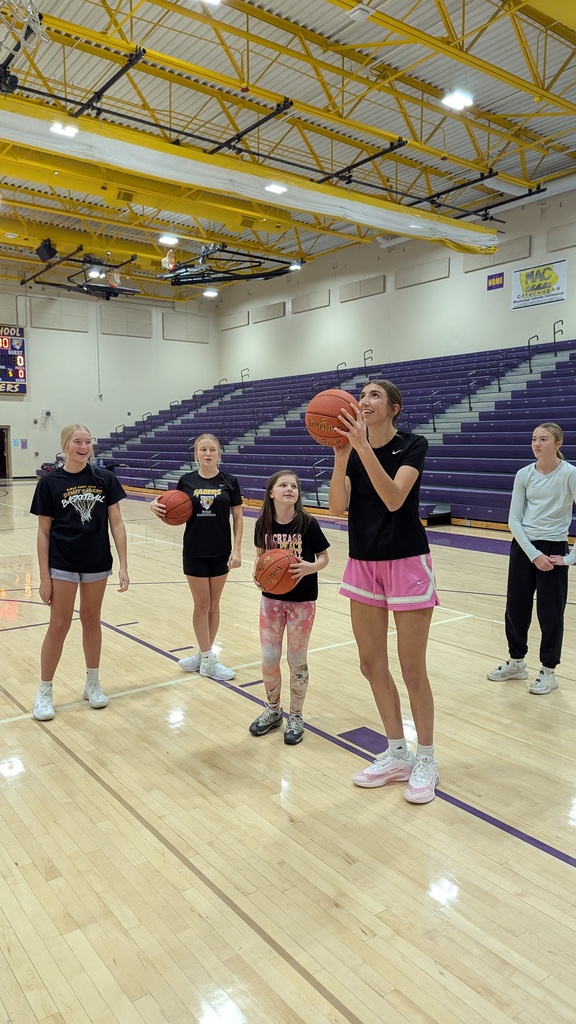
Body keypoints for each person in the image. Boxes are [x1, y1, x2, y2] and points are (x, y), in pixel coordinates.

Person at [328, 379, 440, 804]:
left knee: (412, 669)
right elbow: (336, 507)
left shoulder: (413, 444)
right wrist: (342, 457)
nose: (364, 401)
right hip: (363, 563)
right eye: (362, 395)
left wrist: (361, 448)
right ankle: (397, 754)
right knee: (371, 664)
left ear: (394, 407)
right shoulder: (353, 452)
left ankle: (426, 758)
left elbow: (394, 499)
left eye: (374, 395)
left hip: (406, 561)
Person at [30, 423, 130, 721]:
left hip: (96, 562)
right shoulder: (50, 483)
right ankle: (45, 690)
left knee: (91, 620)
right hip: (62, 562)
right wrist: (44, 576)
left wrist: (124, 564)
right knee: (59, 625)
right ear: (65, 445)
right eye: (77, 441)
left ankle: (92, 684)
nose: (84, 447)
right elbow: (43, 532)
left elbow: (117, 523)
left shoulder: (105, 478)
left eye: (88, 441)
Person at [487, 422, 576, 695]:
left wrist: (570, 559)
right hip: (524, 547)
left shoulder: (570, 474)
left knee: (550, 613)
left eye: (544, 439)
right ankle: (517, 663)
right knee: (516, 608)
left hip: (554, 548)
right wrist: (534, 554)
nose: (537, 444)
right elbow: (514, 519)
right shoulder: (524, 474)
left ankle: (549, 671)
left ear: (558, 444)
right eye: (534, 439)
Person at [151, 433, 243, 681]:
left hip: (221, 550)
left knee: (214, 604)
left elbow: (238, 517)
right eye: (203, 449)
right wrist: (154, 507)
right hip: (195, 550)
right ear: (195, 454)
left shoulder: (230, 481)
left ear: (219, 453)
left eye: (212, 449)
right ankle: (207, 658)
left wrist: (237, 549)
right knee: (202, 605)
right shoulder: (186, 481)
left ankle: (205, 656)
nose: (208, 453)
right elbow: (171, 508)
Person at [249, 471, 330, 744]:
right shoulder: (263, 523)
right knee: (269, 658)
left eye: (293, 486)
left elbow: (324, 558)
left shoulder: (308, 523)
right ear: (271, 493)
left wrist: (310, 567)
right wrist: (258, 573)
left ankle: (296, 715)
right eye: (283, 485)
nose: (289, 489)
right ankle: (273, 711)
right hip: (271, 601)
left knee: (297, 660)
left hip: (302, 602)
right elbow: (261, 558)